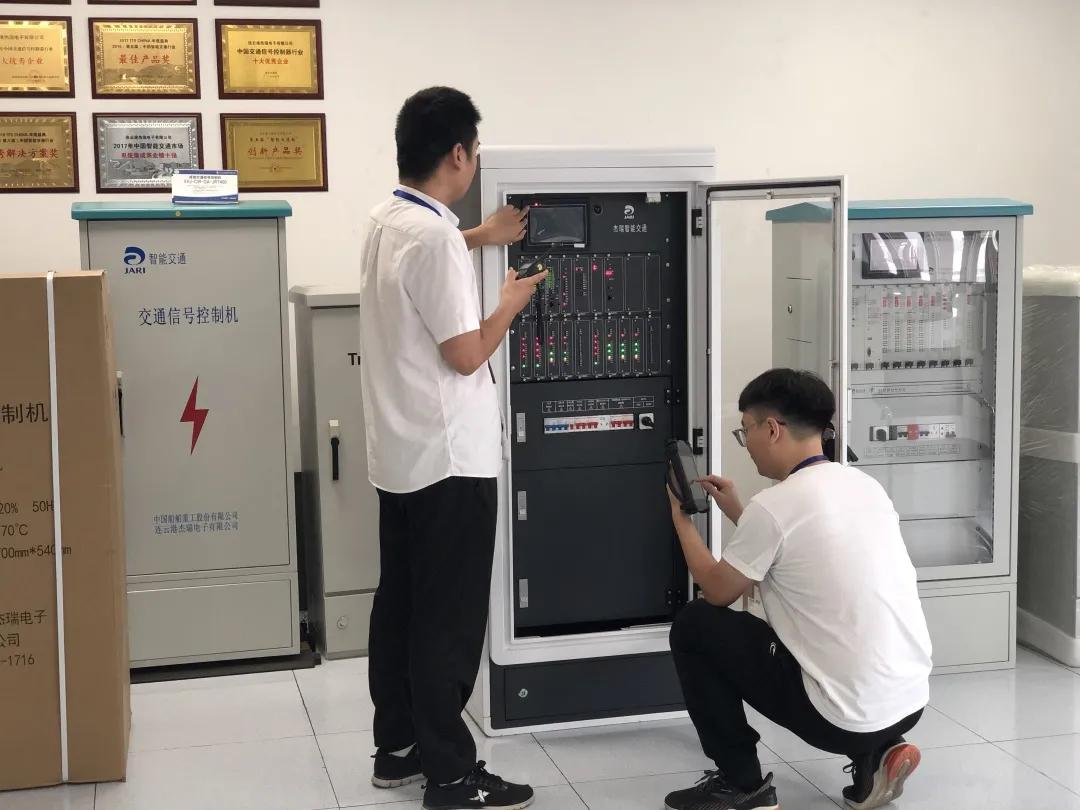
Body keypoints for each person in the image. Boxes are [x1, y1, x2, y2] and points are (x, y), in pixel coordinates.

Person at [358, 86, 547, 810]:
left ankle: (399, 748)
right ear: (460, 154)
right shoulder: (433, 238)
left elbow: (425, 259)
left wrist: (479, 236)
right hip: (450, 462)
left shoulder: (389, 219)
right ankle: (451, 775)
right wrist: (509, 305)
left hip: (400, 456)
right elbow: (466, 354)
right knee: (449, 620)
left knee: (402, 606)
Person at [662, 368, 933, 810]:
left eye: (745, 430)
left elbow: (716, 591)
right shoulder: (863, 485)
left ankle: (741, 785)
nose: (746, 442)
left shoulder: (776, 506)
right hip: (909, 701)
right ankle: (878, 755)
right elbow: (804, 550)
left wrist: (681, 519)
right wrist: (738, 511)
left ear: (772, 429)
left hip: (838, 720)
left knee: (696, 624)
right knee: (838, 639)